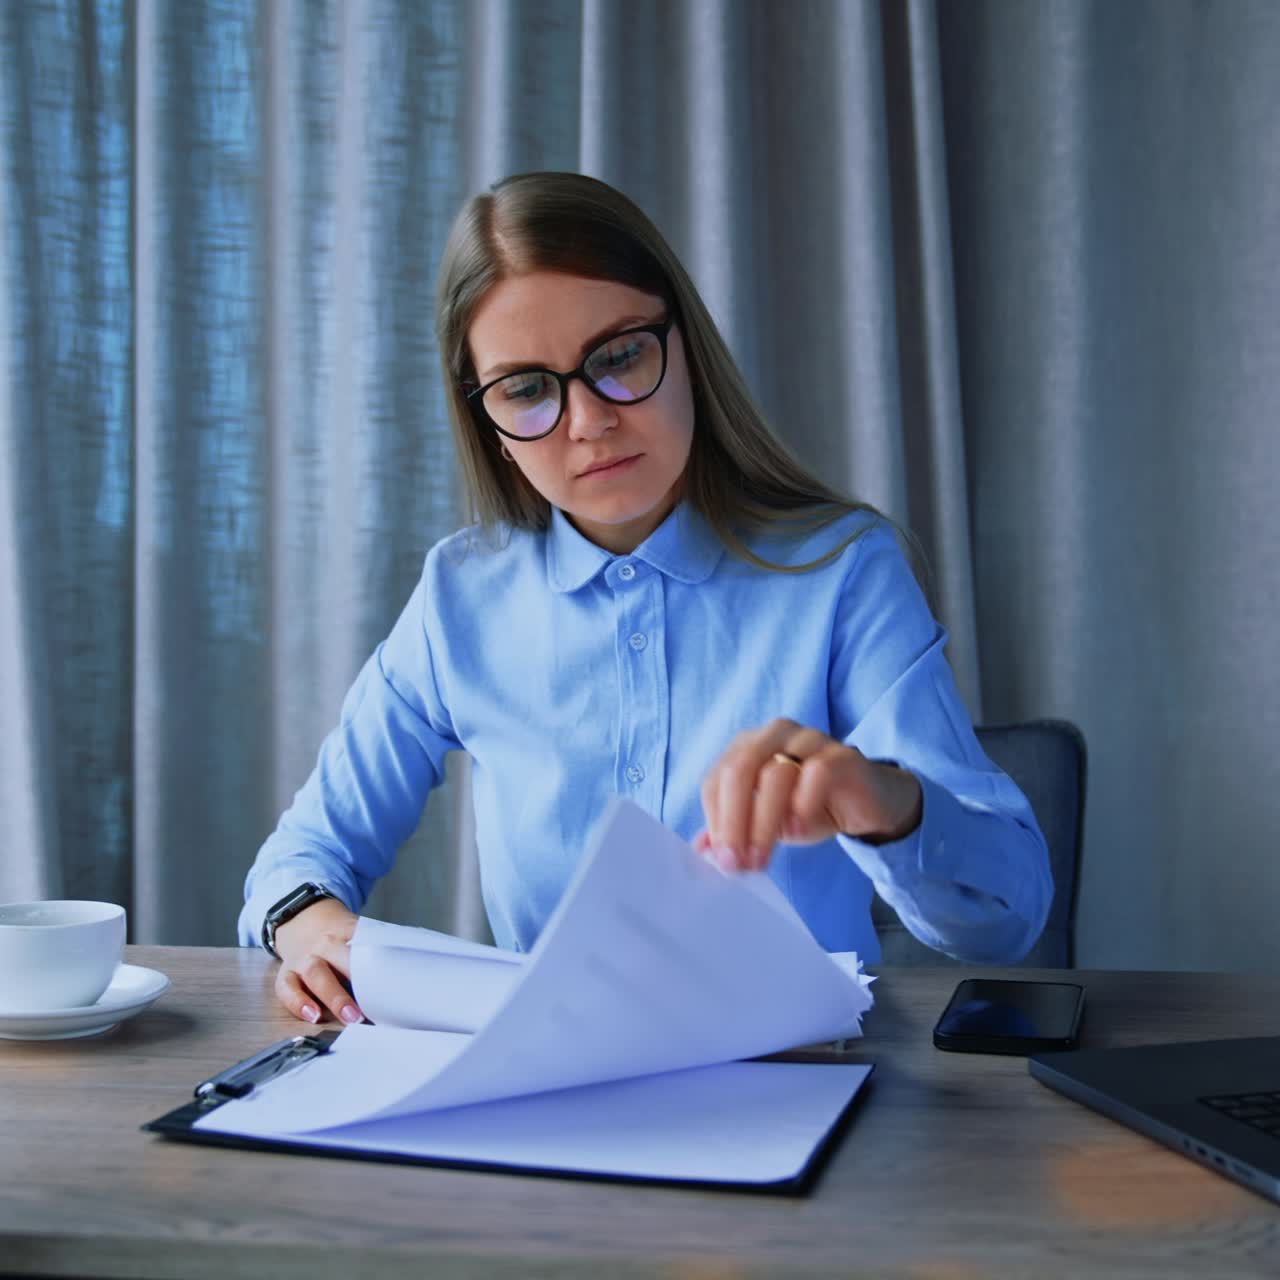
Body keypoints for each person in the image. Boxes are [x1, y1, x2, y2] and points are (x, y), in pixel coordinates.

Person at [238, 171, 1052, 1027]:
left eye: (619, 356)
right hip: (549, 1092)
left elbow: (1011, 919)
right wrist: (309, 924)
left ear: (685, 348)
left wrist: (883, 802)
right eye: (526, 389)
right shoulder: (458, 597)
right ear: (487, 423)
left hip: (801, 1081)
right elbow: (299, 856)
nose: (587, 420)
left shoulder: (845, 571)